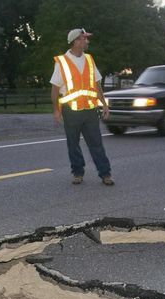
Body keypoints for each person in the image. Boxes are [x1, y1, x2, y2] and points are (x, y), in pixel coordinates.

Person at [51, 28, 114, 186]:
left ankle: (105, 174)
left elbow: (97, 84)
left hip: (90, 110)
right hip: (71, 111)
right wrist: (56, 110)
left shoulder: (89, 59)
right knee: (73, 144)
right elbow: (55, 89)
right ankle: (78, 172)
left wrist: (104, 104)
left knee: (96, 144)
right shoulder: (62, 62)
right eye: (84, 39)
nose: (87, 41)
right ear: (76, 42)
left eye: (86, 38)